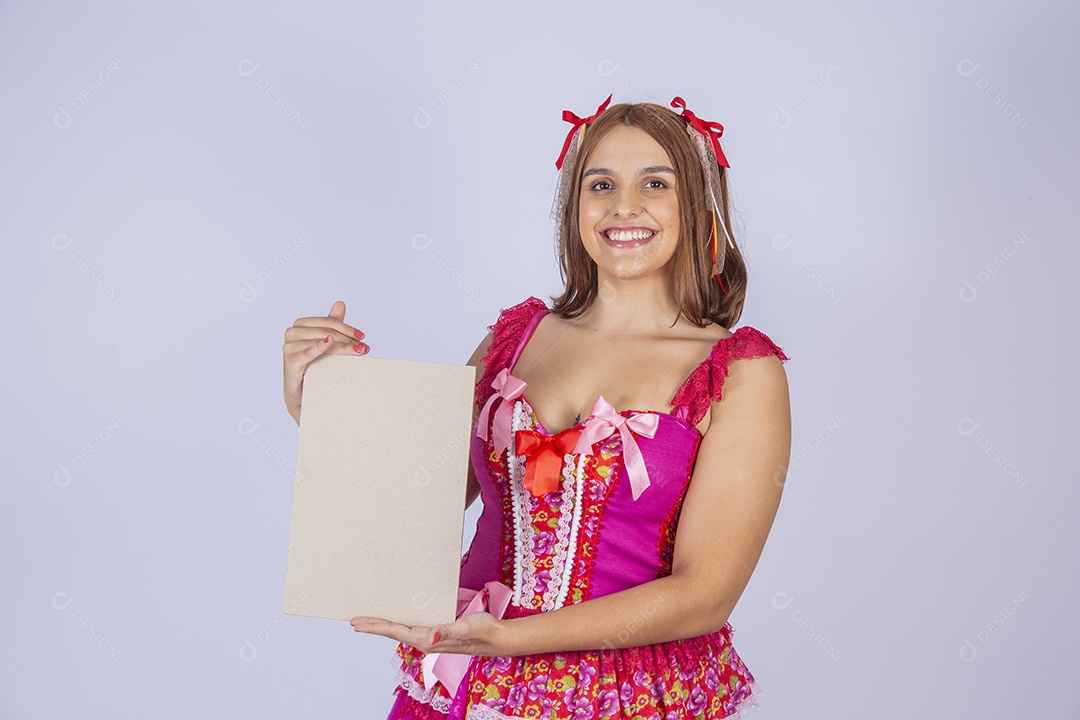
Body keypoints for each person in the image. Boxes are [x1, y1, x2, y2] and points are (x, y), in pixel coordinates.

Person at [283, 94, 791, 719]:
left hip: (623, 699)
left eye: (654, 183)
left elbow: (705, 594)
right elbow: (415, 510)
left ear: (695, 204)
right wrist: (321, 409)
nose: (623, 206)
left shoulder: (739, 370)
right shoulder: (512, 339)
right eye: (600, 184)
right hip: (469, 689)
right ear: (573, 207)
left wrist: (508, 639)